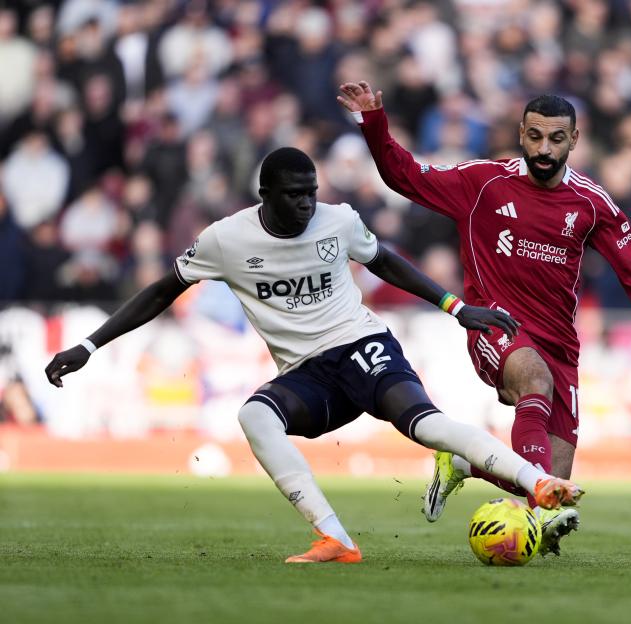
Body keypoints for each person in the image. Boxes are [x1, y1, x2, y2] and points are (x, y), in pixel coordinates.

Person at [45, 147, 584, 564]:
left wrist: (454, 306)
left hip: (361, 345)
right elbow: (162, 291)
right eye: (295, 194)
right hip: (307, 375)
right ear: (266, 195)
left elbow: (384, 262)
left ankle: (537, 482)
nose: (307, 203)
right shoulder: (224, 240)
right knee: (254, 415)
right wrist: (89, 345)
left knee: (422, 420)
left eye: (311, 192)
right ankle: (335, 538)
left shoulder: (338, 220)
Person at [338, 81, 631, 555]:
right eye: (535, 136)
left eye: (556, 139)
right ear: (521, 134)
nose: (544, 149)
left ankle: (465, 465)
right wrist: (374, 123)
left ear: (574, 140)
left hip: (560, 343)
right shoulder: (483, 182)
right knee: (533, 385)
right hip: (497, 325)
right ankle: (531, 507)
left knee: (552, 476)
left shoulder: (593, 205)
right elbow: (404, 176)